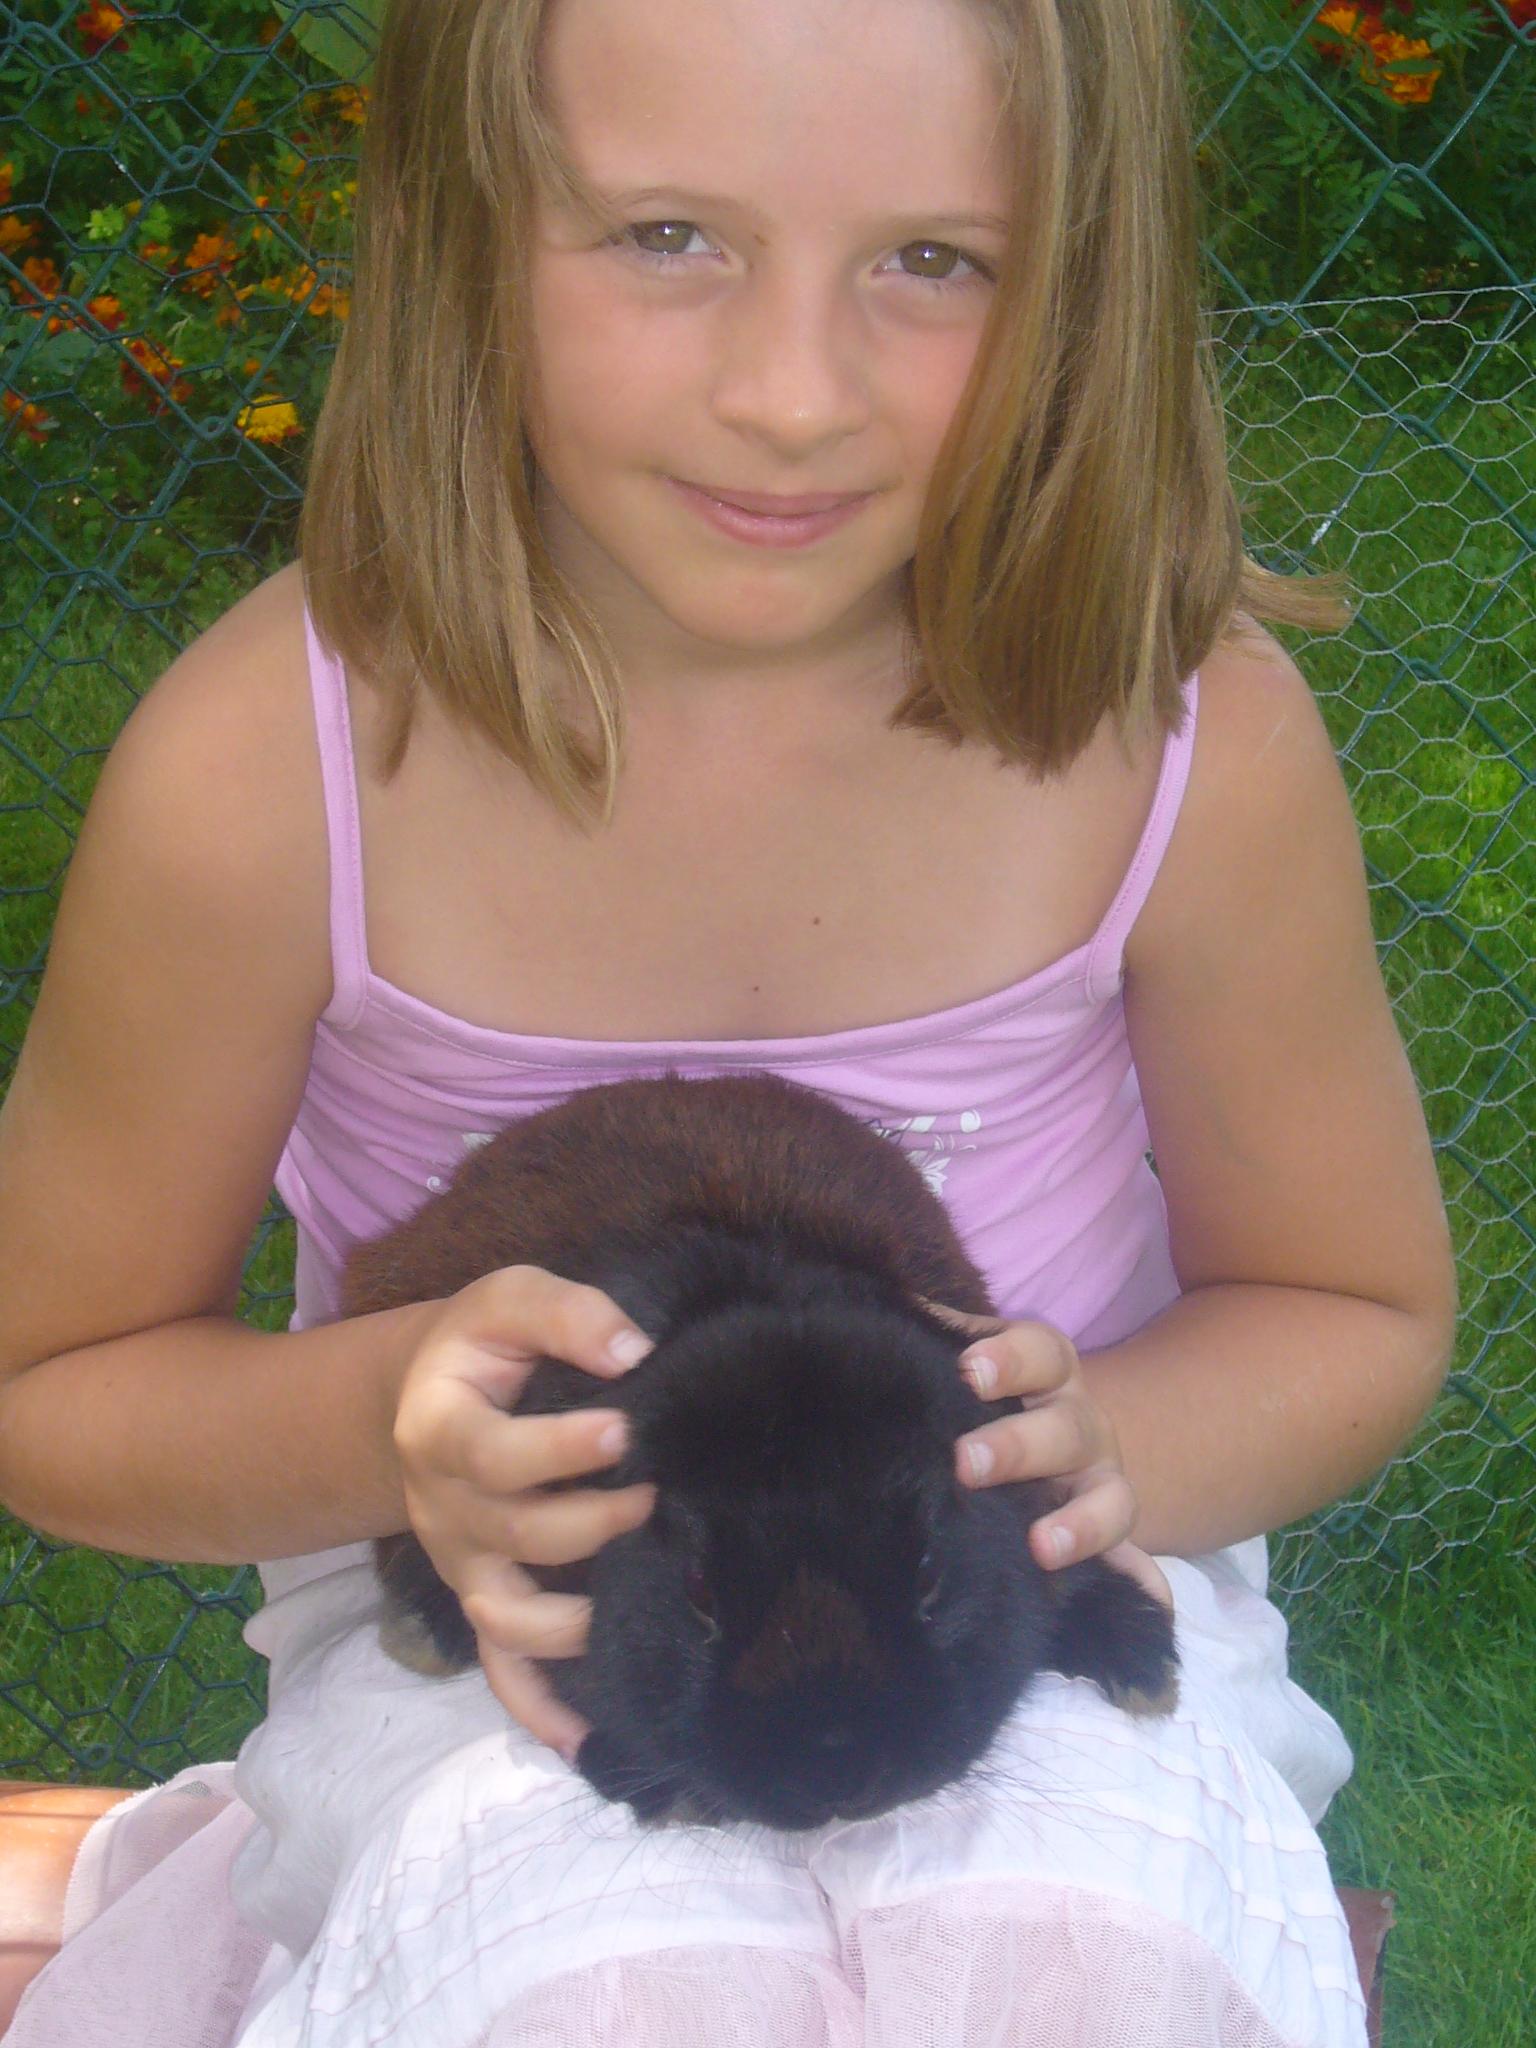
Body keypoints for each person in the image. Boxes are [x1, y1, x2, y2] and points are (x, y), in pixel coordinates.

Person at [0, 0, 1456, 2041]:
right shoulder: (267, 770)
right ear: (457, 225)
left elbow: (1352, 1305)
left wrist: (1092, 1457)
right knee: (628, 1987)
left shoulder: (1176, 736)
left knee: (1073, 1958)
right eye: (667, 235)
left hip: (1031, 1582)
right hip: (486, 1613)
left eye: (934, 258)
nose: (791, 394)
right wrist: (396, 1422)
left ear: (1087, 272)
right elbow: (48, 1381)